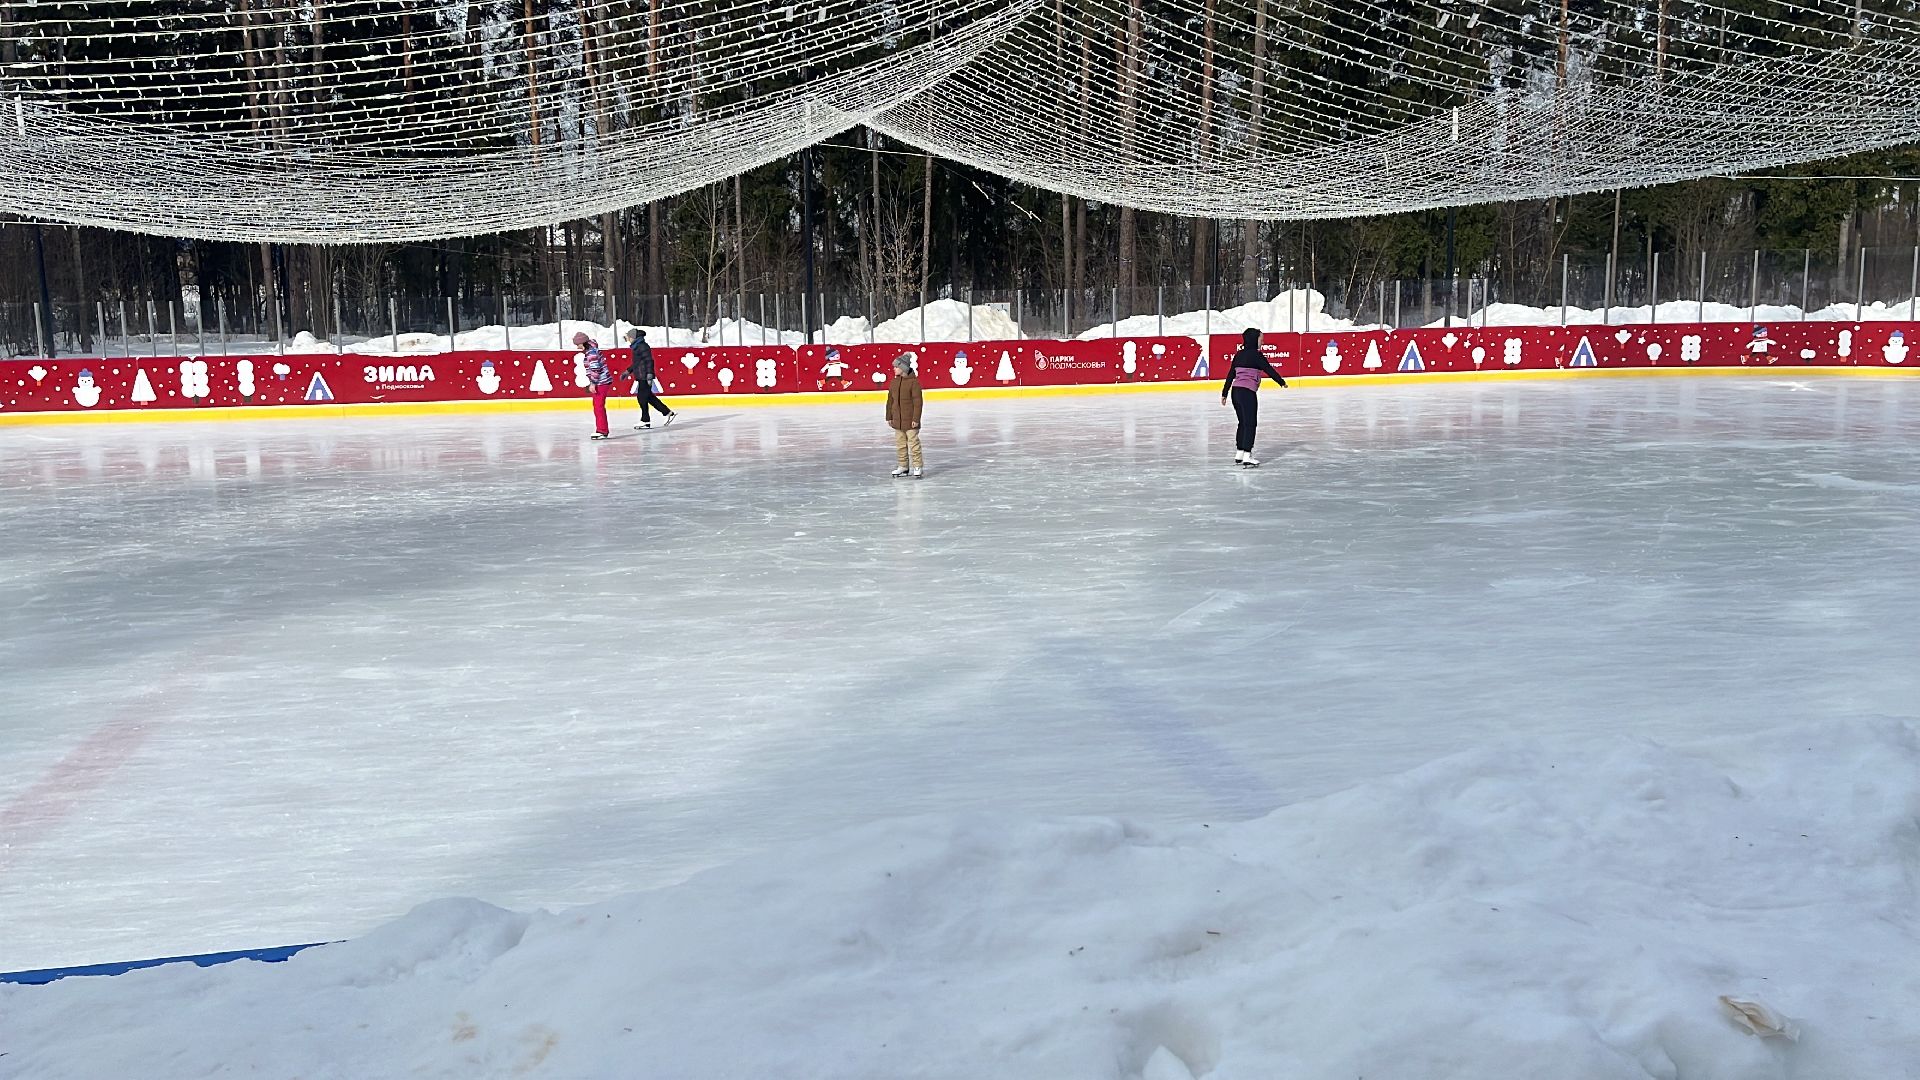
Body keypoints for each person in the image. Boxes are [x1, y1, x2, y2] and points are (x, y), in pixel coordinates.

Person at [1220, 327, 1287, 467]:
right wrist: (1281, 382)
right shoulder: (1257, 356)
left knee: (1242, 422)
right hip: (1247, 393)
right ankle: (1247, 455)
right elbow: (1269, 370)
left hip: (1236, 392)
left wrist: (1224, 393)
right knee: (1250, 423)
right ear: (1254, 339)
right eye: (1261, 339)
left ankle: (1239, 452)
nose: (1262, 342)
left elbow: (1231, 374)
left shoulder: (1239, 355)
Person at [623, 327, 676, 428]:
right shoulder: (637, 346)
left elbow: (649, 361)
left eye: (629, 337)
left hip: (645, 375)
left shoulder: (642, 346)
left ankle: (645, 420)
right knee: (649, 397)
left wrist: (649, 374)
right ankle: (667, 412)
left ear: (633, 337)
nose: (628, 339)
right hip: (641, 375)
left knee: (642, 398)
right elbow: (637, 363)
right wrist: (628, 371)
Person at [885, 352, 924, 478]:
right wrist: (889, 416)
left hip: (911, 420)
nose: (894, 369)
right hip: (898, 420)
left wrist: (916, 419)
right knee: (900, 445)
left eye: (896, 366)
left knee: (914, 444)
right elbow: (890, 401)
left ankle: (917, 466)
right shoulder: (894, 382)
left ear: (903, 368)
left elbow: (918, 403)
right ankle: (903, 466)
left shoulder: (914, 383)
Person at [576, 331, 615, 440]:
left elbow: (595, 368)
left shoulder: (591, 353)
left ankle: (602, 430)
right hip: (601, 381)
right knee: (598, 406)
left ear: (583, 343)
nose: (577, 347)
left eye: (578, 344)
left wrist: (593, 383)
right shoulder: (591, 350)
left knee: (598, 406)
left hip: (601, 382)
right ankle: (602, 430)